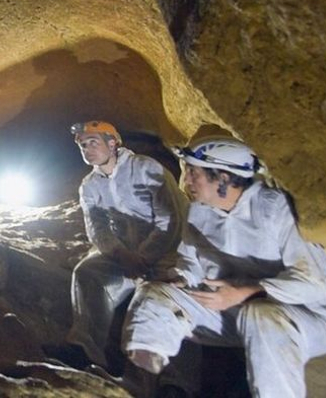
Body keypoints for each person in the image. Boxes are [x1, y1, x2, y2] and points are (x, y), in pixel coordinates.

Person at [122, 137, 326, 398]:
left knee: (260, 315)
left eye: (194, 173)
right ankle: (140, 385)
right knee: (153, 294)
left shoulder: (276, 209)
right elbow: (189, 262)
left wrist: (245, 292)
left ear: (224, 178)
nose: (186, 182)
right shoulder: (198, 213)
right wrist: (181, 278)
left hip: (305, 317)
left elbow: (315, 283)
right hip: (231, 308)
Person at [49, 120, 188, 373]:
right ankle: (85, 349)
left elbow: (170, 220)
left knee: (165, 298)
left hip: (168, 253)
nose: (87, 149)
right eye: (82, 145)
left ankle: (174, 381)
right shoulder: (90, 185)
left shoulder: (146, 169)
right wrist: (120, 254)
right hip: (124, 255)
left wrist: (142, 257)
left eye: (93, 143)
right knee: (88, 272)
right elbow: (97, 228)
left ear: (113, 143)